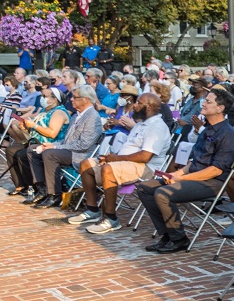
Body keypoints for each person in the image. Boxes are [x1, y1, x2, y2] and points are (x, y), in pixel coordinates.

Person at [136, 89, 234, 254]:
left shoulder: (227, 134)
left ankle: (179, 239)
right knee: (145, 188)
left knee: (163, 193)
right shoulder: (207, 129)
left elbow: (215, 170)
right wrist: (178, 174)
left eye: (209, 101)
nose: (203, 104)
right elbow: (196, 161)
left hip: (212, 183)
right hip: (196, 176)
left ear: (220, 108)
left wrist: (181, 179)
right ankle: (168, 235)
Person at [68, 93, 172, 234]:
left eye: (138, 103)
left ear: (149, 107)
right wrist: (113, 157)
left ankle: (111, 219)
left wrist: (116, 159)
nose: (134, 105)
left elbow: (145, 157)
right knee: (87, 164)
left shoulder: (157, 127)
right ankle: (92, 209)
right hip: (126, 162)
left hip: (145, 169)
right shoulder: (141, 123)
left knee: (109, 169)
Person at [27, 85, 105, 208]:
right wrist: (52, 144)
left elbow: (84, 145)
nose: (71, 99)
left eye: (75, 97)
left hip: (81, 155)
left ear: (86, 99)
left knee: (50, 154)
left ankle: (54, 194)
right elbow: (66, 140)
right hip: (70, 150)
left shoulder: (92, 117)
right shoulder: (76, 115)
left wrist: (55, 148)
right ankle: (42, 189)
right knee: (34, 150)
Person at [5, 87, 71, 199]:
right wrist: (25, 128)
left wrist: (34, 125)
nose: (42, 99)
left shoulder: (59, 112)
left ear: (54, 99)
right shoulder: (44, 111)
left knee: (23, 154)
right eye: (42, 96)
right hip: (36, 141)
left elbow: (52, 133)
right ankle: (22, 185)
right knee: (11, 150)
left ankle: (38, 187)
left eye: (45, 97)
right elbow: (35, 131)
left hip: (51, 143)